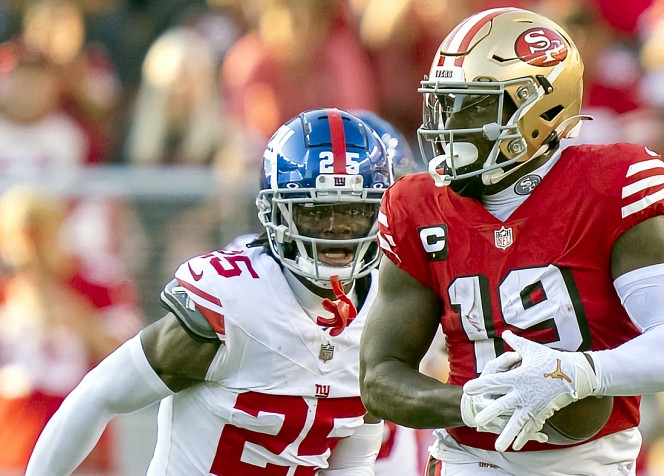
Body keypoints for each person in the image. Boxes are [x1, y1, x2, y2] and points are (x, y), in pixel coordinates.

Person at [358, 7, 664, 476]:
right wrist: (473, 405)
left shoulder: (609, 184)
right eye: (446, 103)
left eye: (474, 105)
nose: (451, 123)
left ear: (540, 110)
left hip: (587, 461)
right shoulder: (417, 205)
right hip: (469, 457)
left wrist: (578, 376)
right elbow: (379, 379)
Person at [26, 108, 393, 475]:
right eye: (316, 212)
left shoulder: (383, 313)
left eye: (354, 212)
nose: (337, 229)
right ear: (277, 212)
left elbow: (352, 462)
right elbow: (98, 396)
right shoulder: (233, 304)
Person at [0, 186, 141, 474]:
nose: (29, 246)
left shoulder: (99, 283)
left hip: (82, 456)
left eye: (38, 233)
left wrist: (66, 307)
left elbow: (132, 362)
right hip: (8, 454)